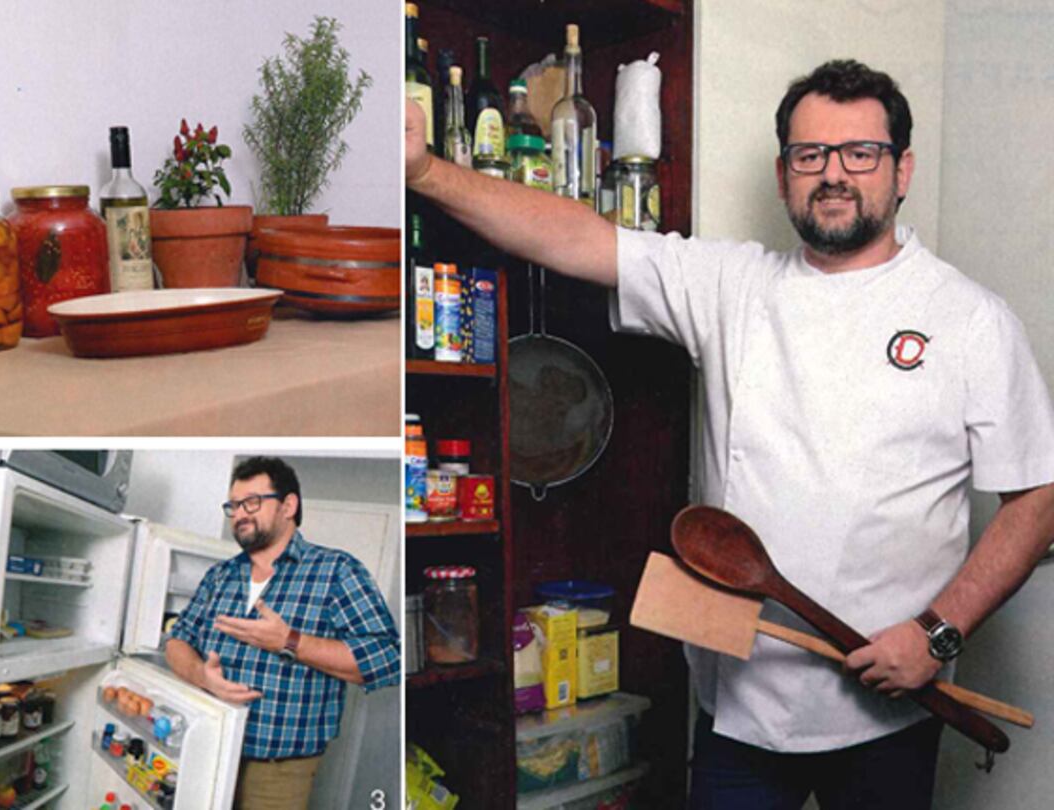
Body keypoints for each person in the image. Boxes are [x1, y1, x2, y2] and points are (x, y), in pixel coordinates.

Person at [407, 59, 1054, 808]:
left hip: (892, 703)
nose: (834, 174)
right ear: (784, 175)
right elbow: (576, 239)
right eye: (811, 155)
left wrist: (937, 635)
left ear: (901, 169)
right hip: (740, 709)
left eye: (860, 153)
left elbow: (1036, 498)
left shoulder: (970, 319)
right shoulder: (732, 285)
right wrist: (426, 171)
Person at [165, 456, 400, 810]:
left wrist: (289, 641)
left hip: (278, 769)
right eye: (233, 505)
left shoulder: (337, 570)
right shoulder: (220, 576)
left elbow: (387, 660)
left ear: (288, 505)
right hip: (207, 748)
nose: (239, 514)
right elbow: (177, 639)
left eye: (252, 503)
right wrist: (202, 675)